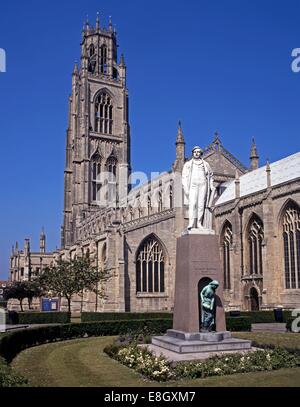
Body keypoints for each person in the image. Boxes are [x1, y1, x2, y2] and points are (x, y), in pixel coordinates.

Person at [182, 146, 215, 230]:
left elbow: (211, 175)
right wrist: (186, 188)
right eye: (195, 152)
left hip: (203, 184)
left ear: (200, 153)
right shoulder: (188, 164)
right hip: (193, 185)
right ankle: (191, 223)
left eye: (198, 152)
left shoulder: (206, 164)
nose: (196, 153)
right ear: (193, 153)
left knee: (201, 205)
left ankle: (199, 223)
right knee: (193, 204)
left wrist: (211, 185)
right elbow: (184, 177)